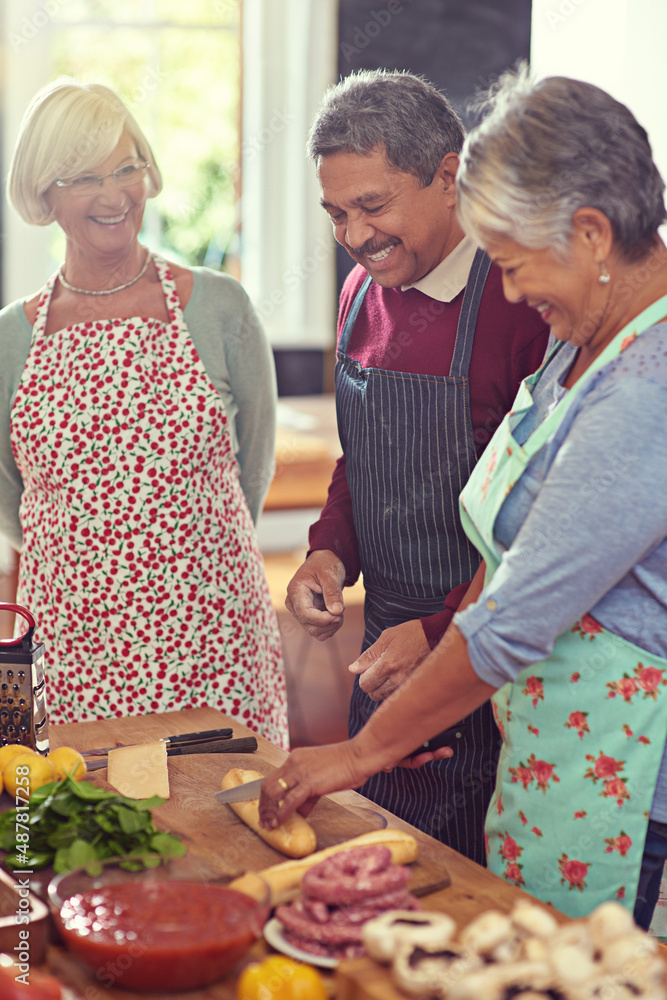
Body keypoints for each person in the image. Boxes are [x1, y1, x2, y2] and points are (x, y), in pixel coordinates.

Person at [261, 67, 667, 926]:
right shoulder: (580, 344)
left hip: (610, 762)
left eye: (518, 263)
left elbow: (521, 608)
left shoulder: (645, 387)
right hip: (529, 722)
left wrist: (359, 748)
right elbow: (504, 536)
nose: (511, 290)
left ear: (590, 234)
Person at [285, 70, 548, 863]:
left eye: (372, 205)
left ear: (447, 175)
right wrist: (329, 551)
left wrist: (437, 631)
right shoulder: (362, 293)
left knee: (469, 903)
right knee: (376, 887)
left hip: (488, 657)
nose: (354, 235)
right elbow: (360, 455)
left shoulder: (520, 302)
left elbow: (539, 524)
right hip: (383, 660)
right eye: (335, 213)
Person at [0, 79, 288, 746]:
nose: (114, 194)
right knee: (72, 839)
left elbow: (253, 467)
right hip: (72, 653)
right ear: (45, 193)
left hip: (212, 638)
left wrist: (181, 549)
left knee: (232, 831)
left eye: (126, 167)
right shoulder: (12, 338)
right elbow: (14, 500)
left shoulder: (219, 308)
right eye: (83, 177)